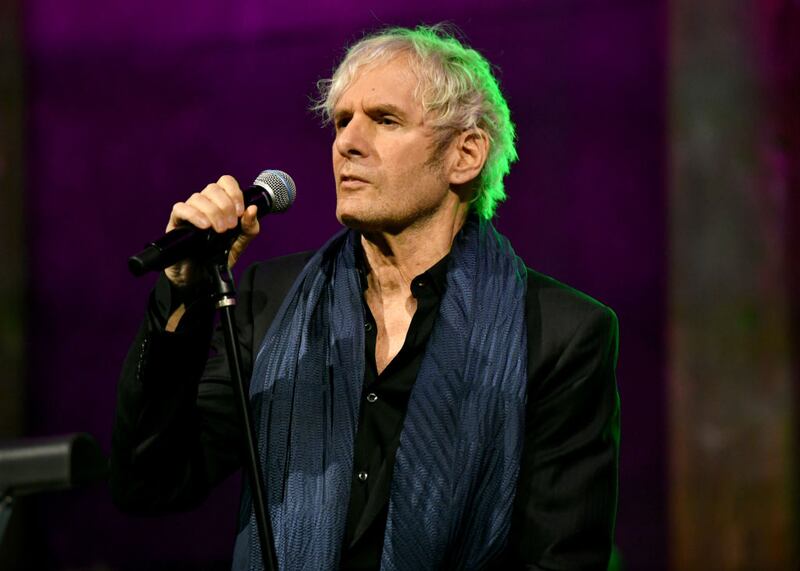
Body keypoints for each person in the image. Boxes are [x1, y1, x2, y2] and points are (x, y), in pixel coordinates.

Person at [111, 25, 620, 570]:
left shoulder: (560, 334)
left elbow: (562, 558)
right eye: (341, 122)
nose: (347, 143)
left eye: (385, 120)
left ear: (466, 154)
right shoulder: (269, 302)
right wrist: (184, 293)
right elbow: (152, 481)